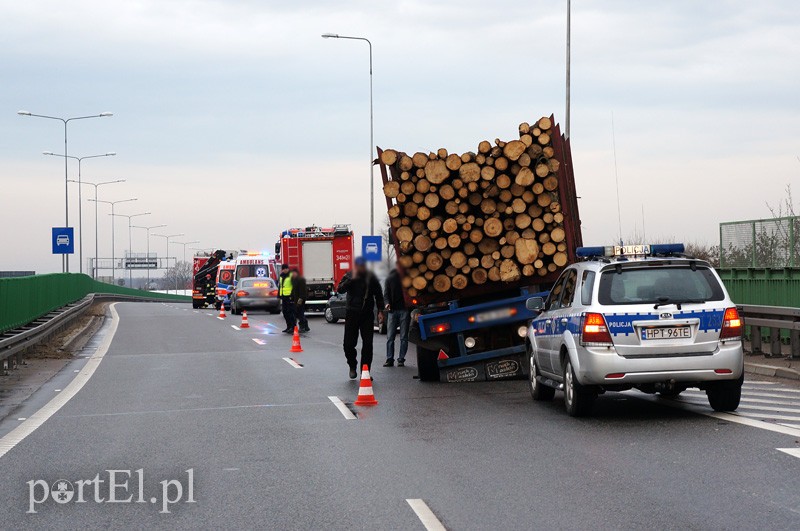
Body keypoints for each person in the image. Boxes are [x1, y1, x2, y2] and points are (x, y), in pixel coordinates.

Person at [337, 256, 384, 379]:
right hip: (352, 313)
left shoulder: (371, 278)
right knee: (348, 344)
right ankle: (352, 365)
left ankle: (365, 371)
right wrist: (351, 279)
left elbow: (379, 294)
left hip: (366, 314)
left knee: (368, 344)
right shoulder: (349, 275)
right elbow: (340, 289)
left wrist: (380, 311)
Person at [383, 266, 411, 367]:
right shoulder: (390, 278)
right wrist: (387, 304)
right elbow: (386, 294)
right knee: (390, 337)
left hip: (404, 310)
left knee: (403, 337)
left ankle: (401, 359)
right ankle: (389, 359)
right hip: (392, 311)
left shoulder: (408, 278)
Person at [278, 264, 295, 333]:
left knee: (290, 312)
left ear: (288, 269)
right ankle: (288, 326)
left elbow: (294, 286)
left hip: (290, 297)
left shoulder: (291, 276)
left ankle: (293, 327)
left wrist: (292, 296)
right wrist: (279, 295)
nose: (285, 270)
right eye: (284, 269)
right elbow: (280, 286)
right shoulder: (281, 276)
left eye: (286, 268)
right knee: (285, 312)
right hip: (284, 296)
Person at [291, 269, 309, 333]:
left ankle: (302, 327)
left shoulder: (301, 280)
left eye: (293, 273)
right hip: (296, 299)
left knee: (300, 313)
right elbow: (294, 290)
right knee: (298, 313)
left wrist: (300, 301)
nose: (293, 274)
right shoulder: (294, 280)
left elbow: (302, 292)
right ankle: (306, 325)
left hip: (301, 299)